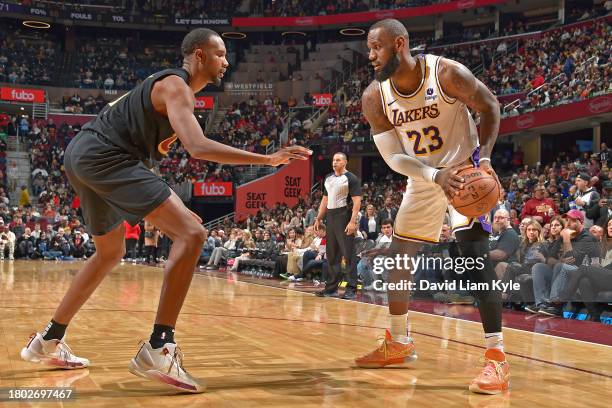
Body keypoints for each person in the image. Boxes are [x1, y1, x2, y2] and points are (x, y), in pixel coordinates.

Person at [20, 28, 311, 393]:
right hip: (104, 156)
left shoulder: (170, 93)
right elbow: (198, 147)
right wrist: (267, 158)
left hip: (84, 155)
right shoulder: (177, 87)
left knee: (110, 252)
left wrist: (176, 209)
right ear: (200, 56)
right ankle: (159, 346)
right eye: (220, 54)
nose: (227, 61)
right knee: (192, 235)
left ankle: (47, 340)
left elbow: (143, 158)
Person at [358, 19, 508, 394]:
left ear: (400, 44)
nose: (371, 57)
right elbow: (393, 156)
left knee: (474, 256)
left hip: (465, 172)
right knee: (399, 255)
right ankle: (400, 341)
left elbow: (489, 107)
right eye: (368, 50)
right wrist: (431, 174)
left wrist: (485, 159)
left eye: (376, 48)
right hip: (424, 176)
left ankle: (497, 359)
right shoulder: (374, 97)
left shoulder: (445, 74)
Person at [314, 152, 362, 299]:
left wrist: (352, 221)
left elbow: (357, 201)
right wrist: (319, 218)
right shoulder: (328, 178)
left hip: (344, 215)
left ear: (345, 162)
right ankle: (331, 288)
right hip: (331, 216)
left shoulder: (351, 178)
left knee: (348, 254)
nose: (334, 162)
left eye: (338, 160)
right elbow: (324, 200)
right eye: (333, 160)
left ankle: (351, 289)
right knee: (332, 255)